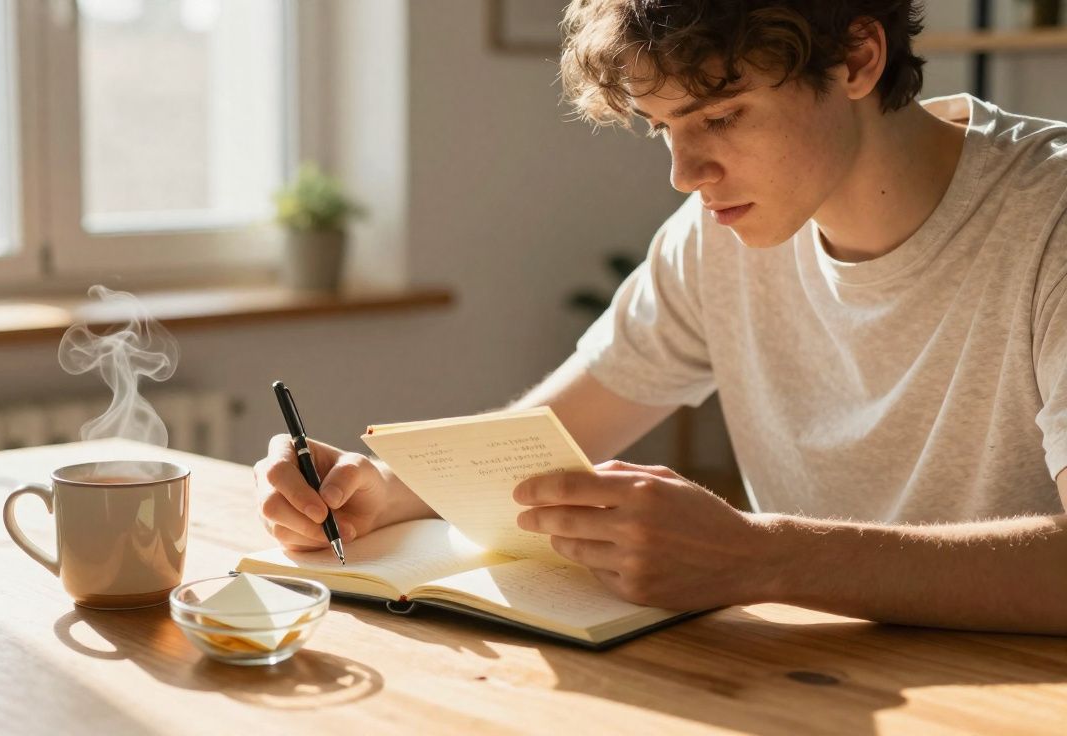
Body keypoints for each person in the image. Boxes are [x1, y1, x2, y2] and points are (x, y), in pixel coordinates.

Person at [254, 0, 1067, 634]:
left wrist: (762, 559)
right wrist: (387, 489)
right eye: (664, 129)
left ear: (858, 57)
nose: (684, 173)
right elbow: (552, 437)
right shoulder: (714, 241)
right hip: (806, 681)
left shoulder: (1050, 219)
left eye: (719, 116)